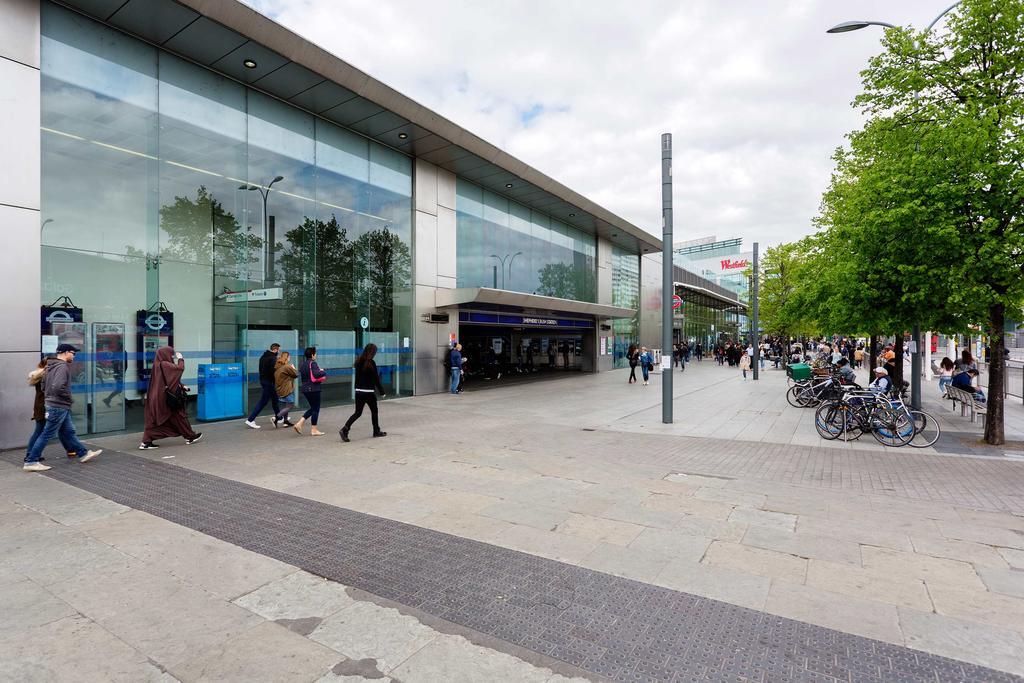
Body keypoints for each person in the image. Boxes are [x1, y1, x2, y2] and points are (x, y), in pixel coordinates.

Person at [23, 344, 102, 471]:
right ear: (65, 352)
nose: (74, 355)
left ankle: (83, 453)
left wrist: (49, 397)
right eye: (73, 353)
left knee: (69, 431)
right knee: (46, 434)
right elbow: (58, 387)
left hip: (55, 404)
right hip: (58, 405)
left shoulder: (50, 365)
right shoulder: (62, 366)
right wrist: (68, 398)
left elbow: (43, 385)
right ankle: (31, 461)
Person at [140, 346, 202, 449]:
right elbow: (180, 369)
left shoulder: (157, 365)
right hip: (165, 398)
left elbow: (168, 380)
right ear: (165, 354)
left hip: (159, 396)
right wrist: (181, 359)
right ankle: (189, 436)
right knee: (179, 415)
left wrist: (181, 386)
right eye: (171, 354)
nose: (172, 356)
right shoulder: (164, 364)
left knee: (165, 419)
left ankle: (146, 442)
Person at [26, 359, 75, 463]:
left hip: (40, 407)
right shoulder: (46, 375)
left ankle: (71, 449)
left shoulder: (39, 375)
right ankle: (30, 455)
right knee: (41, 431)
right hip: (46, 406)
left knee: (62, 429)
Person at [340, 343, 387, 442]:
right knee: (374, 411)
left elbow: (357, 377)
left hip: (359, 391)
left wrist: (357, 388)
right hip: (369, 392)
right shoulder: (371, 363)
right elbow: (376, 379)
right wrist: (382, 391)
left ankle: (345, 429)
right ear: (372, 352)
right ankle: (376, 431)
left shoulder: (358, 361)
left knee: (357, 412)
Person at [245, 342, 280, 429]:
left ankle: (280, 417)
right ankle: (250, 420)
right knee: (263, 401)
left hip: (263, 381)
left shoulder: (263, 357)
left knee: (275, 399)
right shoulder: (273, 358)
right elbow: (273, 371)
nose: (279, 351)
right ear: (275, 349)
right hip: (269, 382)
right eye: (278, 350)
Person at [294, 347, 326, 436]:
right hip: (313, 388)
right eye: (315, 353)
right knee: (316, 409)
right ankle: (314, 429)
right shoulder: (313, 363)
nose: (316, 355)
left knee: (313, 408)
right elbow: (316, 374)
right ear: (312, 354)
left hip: (305, 389)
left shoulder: (303, 364)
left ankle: (299, 424)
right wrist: (323, 371)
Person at [273, 351, 298, 426]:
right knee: (290, 405)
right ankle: (276, 417)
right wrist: (293, 368)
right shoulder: (287, 367)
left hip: (280, 389)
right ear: (287, 358)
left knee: (286, 405)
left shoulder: (278, 368)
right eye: (289, 356)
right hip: (287, 389)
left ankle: (286, 421)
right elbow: (296, 374)